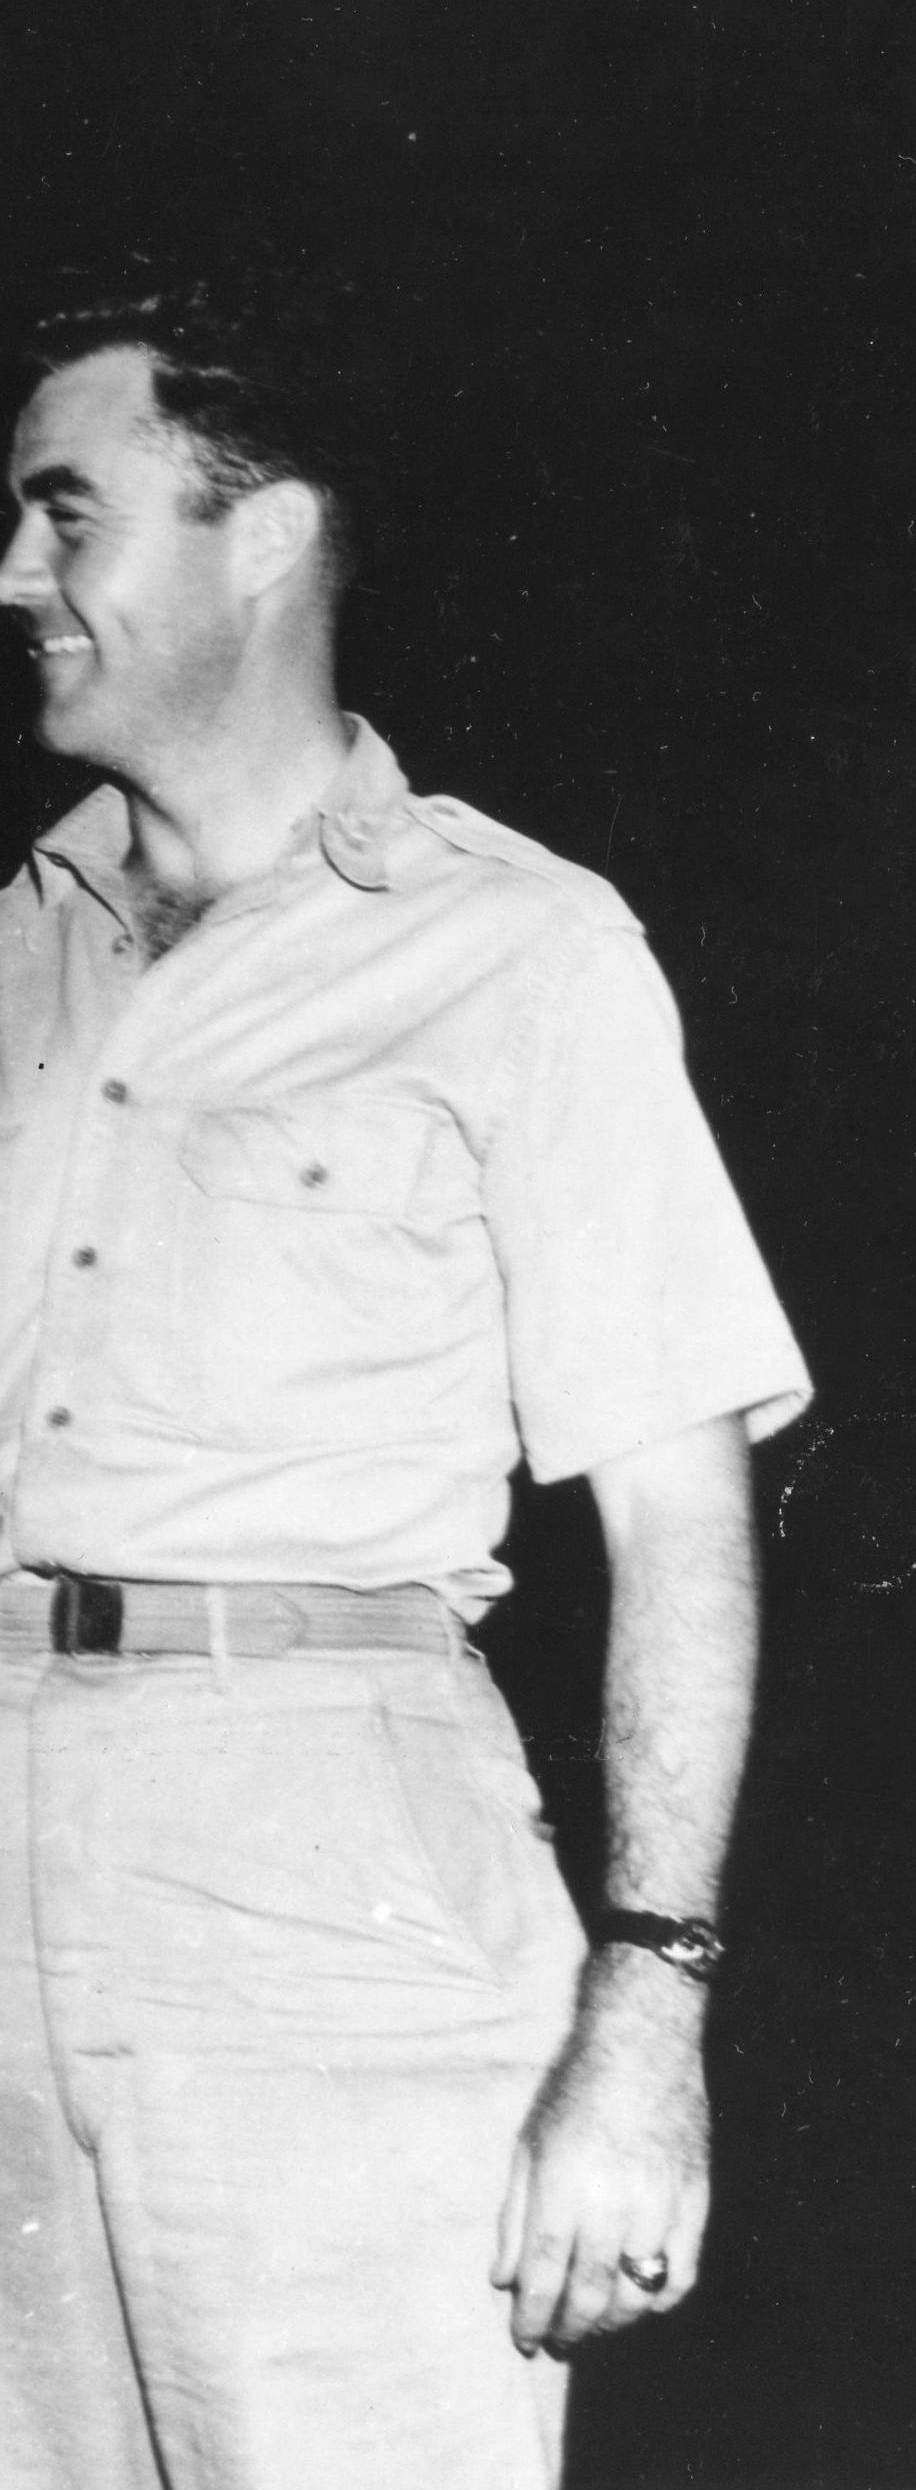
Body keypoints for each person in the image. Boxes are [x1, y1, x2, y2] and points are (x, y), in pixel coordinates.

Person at [0, 272, 809, 2490]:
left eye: (64, 516)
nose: (11, 578)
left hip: (325, 1920)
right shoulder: (15, 950)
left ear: (259, 540)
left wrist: (650, 2008)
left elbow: (678, 1520)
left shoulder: (517, 952)